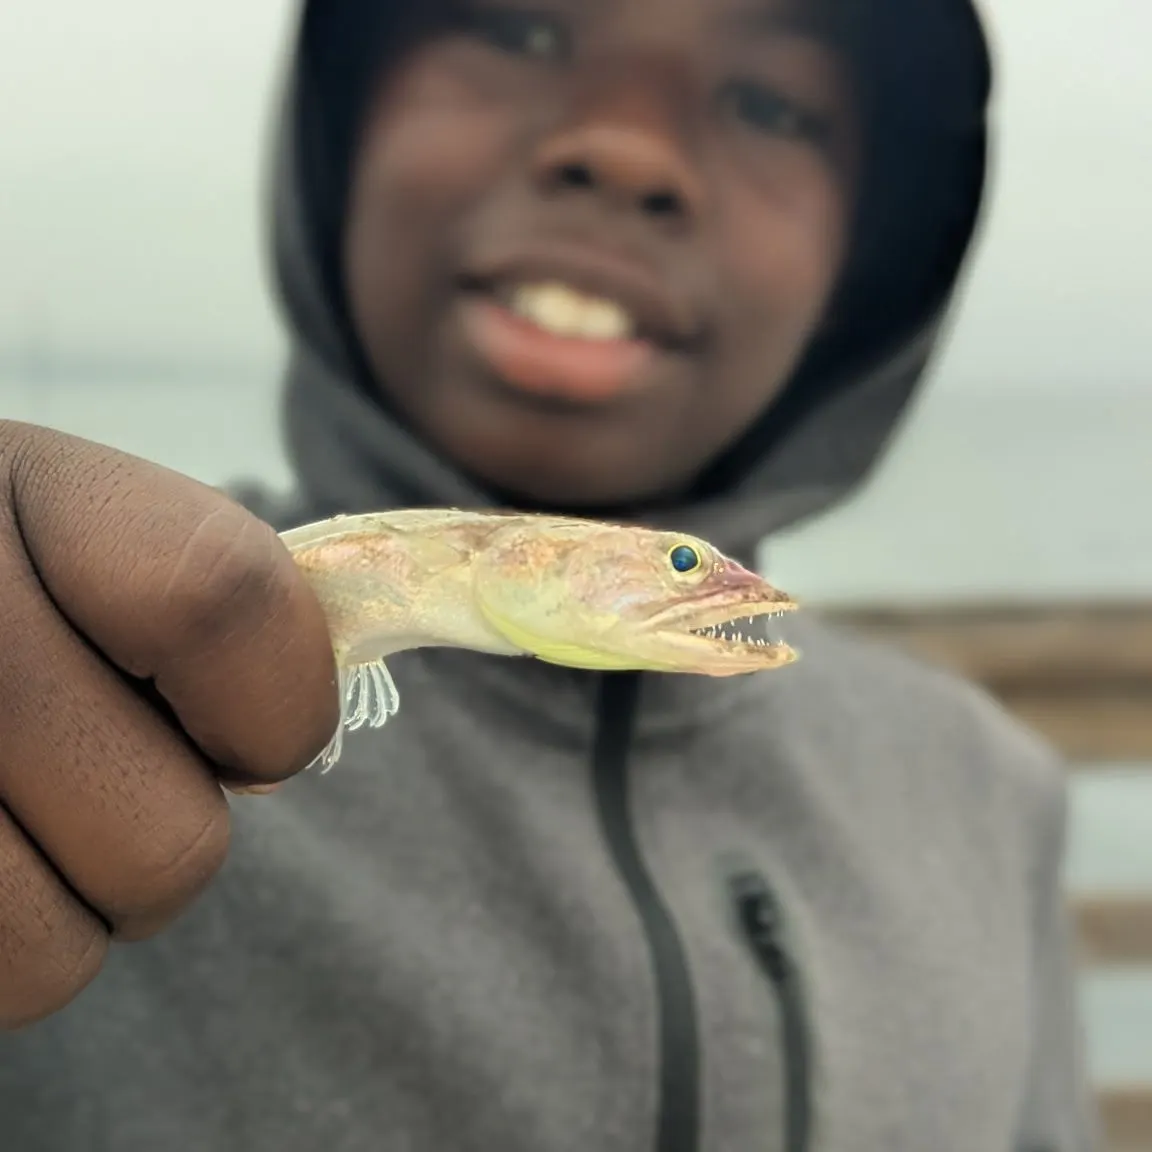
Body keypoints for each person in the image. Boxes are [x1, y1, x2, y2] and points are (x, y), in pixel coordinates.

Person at [0, 0, 1100, 1148]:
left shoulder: (993, 793)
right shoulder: (77, 642)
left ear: (867, 277)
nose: (625, 152)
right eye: (518, 30)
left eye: (771, 103)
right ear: (340, 128)